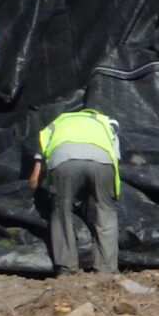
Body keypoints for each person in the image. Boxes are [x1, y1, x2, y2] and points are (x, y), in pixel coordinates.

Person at [31, 101, 122, 277]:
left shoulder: (56, 125)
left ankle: (67, 268)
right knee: (106, 210)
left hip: (64, 160)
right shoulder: (105, 124)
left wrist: (33, 193)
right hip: (102, 161)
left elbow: (35, 176)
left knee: (61, 212)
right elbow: (115, 160)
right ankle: (107, 269)